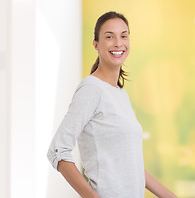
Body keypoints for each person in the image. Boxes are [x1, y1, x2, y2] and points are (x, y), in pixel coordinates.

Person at [47, 11, 177, 198]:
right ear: (96, 44)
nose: (118, 43)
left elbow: (131, 165)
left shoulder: (120, 94)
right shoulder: (91, 89)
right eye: (109, 37)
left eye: (123, 36)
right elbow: (57, 150)